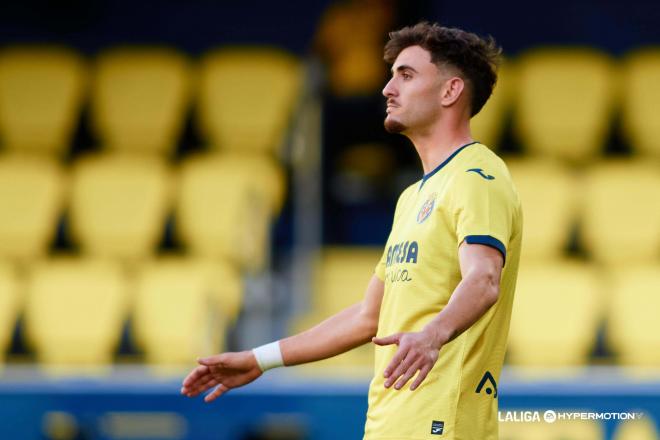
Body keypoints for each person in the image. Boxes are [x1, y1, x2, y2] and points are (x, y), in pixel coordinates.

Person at [181, 21, 522, 440]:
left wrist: (432, 335)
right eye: (391, 73)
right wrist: (259, 358)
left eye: (406, 74)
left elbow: (484, 279)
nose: (387, 88)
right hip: (389, 424)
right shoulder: (412, 197)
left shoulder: (477, 174)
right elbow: (369, 316)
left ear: (450, 91)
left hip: (442, 424)